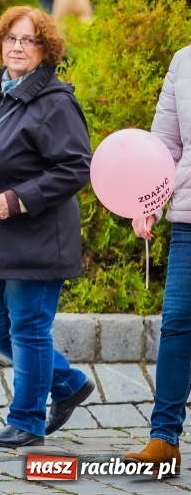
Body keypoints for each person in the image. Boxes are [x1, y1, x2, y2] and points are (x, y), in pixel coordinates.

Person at [0, 5, 94, 448]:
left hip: (37, 235)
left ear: (46, 49)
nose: (18, 47)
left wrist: (20, 198)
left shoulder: (56, 101)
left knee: (28, 327)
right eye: (11, 38)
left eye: (29, 40)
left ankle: (27, 421)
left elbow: (75, 167)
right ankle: (67, 383)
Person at [124, 45, 191, 471]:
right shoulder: (184, 61)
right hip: (188, 219)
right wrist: (149, 201)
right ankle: (164, 439)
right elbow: (165, 145)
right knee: (178, 322)